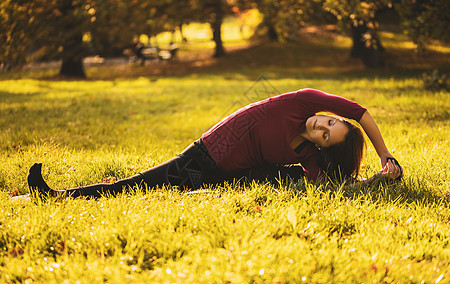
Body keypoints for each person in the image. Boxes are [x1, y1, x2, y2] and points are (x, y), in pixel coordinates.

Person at [27, 88, 402, 199]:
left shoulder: (304, 155)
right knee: (137, 184)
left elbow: (334, 188)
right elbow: (361, 112)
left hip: (225, 174)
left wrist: (377, 180)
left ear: (322, 146)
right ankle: (56, 195)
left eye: (326, 134)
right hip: (203, 155)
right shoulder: (302, 101)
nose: (323, 124)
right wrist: (385, 154)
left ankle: (55, 196)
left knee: (138, 187)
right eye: (331, 122)